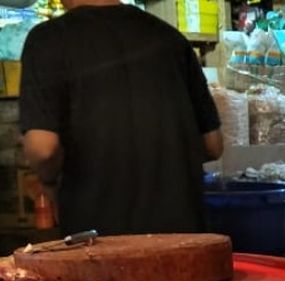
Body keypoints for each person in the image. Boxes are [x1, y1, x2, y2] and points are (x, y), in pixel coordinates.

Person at [19, 0, 223, 237]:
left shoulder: (47, 40)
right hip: (184, 239)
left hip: (100, 245)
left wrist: (48, 182)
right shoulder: (171, 38)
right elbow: (213, 144)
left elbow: (43, 149)